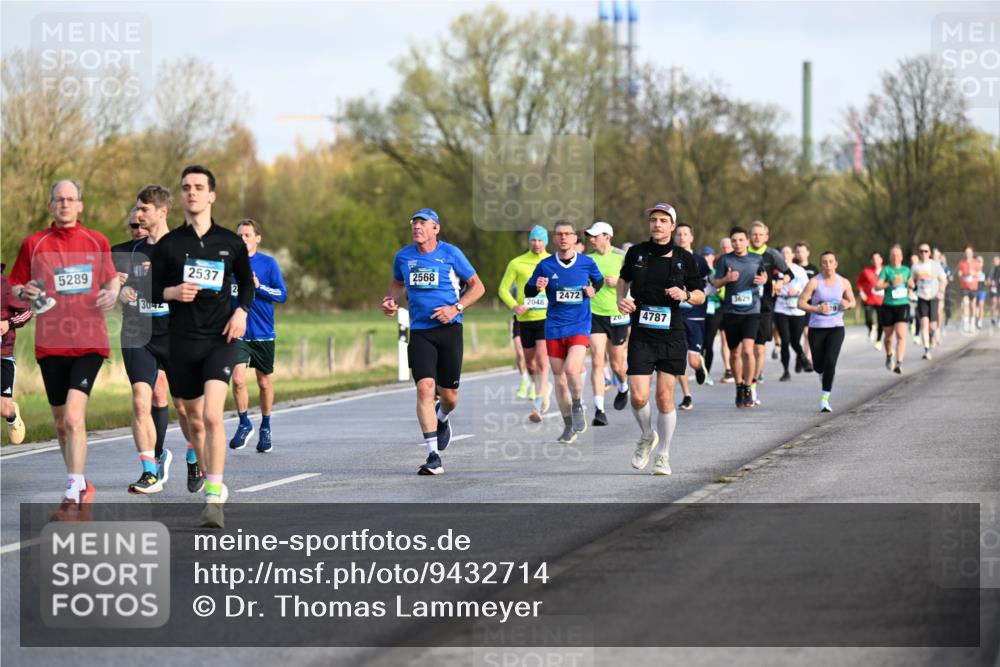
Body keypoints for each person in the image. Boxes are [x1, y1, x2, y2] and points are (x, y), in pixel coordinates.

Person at [150, 165, 254, 528]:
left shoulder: (230, 242)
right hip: (181, 342)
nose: (191, 192)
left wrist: (241, 312)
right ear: (181, 196)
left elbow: (248, 285)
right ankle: (209, 471)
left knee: (212, 415)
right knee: (193, 421)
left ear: (211, 195)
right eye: (185, 188)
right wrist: (173, 293)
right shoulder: (169, 245)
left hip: (220, 340)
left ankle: (213, 497)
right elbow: (149, 290)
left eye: (198, 187)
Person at [10, 179, 120, 520]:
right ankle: (82, 484)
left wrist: (112, 293)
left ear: (80, 206)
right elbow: (13, 288)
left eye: (71, 199)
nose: (65, 204)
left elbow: (112, 280)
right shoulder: (34, 243)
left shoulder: (96, 240)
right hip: (51, 344)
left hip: (89, 342)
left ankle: (72, 493)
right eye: (59, 199)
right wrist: (22, 292)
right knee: (60, 424)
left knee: (74, 417)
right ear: (50, 206)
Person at [382, 208, 485, 475]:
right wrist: (391, 300)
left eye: (422, 223)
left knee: (449, 397)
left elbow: (478, 287)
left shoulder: (451, 254)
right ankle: (433, 455)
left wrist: (456, 308)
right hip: (420, 331)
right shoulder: (403, 256)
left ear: (435, 228)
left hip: (449, 329)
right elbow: (396, 282)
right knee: (425, 389)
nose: (417, 227)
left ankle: (443, 417)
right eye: (414, 223)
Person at [618, 203, 705, 475]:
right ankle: (647, 436)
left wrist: (686, 295)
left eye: (663, 220)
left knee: (664, 398)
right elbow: (624, 280)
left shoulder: (684, 258)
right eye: (654, 220)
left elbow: (701, 294)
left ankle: (664, 455)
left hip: (672, 334)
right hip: (642, 332)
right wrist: (622, 299)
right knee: (638, 397)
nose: (657, 224)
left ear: (672, 226)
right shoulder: (636, 253)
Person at [112, 186, 188, 494]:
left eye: (144, 214)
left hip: (172, 333)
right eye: (134, 221)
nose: (139, 225)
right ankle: (149, 470)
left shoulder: (180, 247)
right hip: (137, 332)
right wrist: (118, 291)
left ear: (161, 213)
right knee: (142, 400)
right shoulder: (126, 253)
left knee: (183, 407)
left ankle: (193, 455)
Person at [525, 220, 603, 443]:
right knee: (559, 380)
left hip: (579, 324)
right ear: (555, 238)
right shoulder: (545, 265)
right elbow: (529, 291)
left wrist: (592, 289)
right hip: (554, 327)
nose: (564, 238)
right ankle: (568, 425)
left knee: (571, 371)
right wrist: (536, 286)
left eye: (568, 234)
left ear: (574, 238)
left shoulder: (587, 262)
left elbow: (597, 282)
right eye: (559, 234)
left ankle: (578, 403)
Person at [228, 219, 288, 453]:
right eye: (239, 236)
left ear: (257, 238)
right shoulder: (229, 265)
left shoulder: (268, 263)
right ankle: (244, 423)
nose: (242, 239)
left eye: (247, 235)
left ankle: (265, 425)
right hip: (238, 332)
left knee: (263, 382)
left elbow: (282, 295)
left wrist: (258, 286)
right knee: (239, 379)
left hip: (263, 332)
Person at [498, 225, 551, 422]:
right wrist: (515, 306)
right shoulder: (517, 263)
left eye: (540, 240)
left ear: (546, 242)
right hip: (525, 319)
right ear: (529, 241)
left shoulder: (552, 262)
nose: (537, 244)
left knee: (543, 361)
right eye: (533, 240)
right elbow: (503, 289)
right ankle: (543, 388)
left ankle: (537, 404)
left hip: (546, 318)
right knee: (530, 364)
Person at [713, 226, 768, 408]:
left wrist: (764, 280)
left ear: (747, 241)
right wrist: (726, 280)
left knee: (747, 350)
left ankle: (748, 385)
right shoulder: (725, 260)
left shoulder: (756, 258)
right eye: (734, 240)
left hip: (752, 311)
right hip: (731, 312)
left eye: (741, 240)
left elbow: (764, 275)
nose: (737, 243)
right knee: (735, 353)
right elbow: (715, 283)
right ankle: (738, 386)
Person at [798, 251, 856, 412]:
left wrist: (847, 304)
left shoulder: (844, 282)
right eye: (824, 262)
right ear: (821, 264)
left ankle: (824, 399)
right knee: (818, 366)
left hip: (836, 328)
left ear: (836, 263)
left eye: (831, 262)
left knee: (831, 361)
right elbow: (800, 303)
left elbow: (853, 302)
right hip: (816, 328)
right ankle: (822, 374)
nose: (828, 265)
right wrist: (816, 308)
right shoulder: (814, 282)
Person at [585, 221, 629, 424]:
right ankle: (599, 410)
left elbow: (637, 281)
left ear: (607, 237)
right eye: (590, 236)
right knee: (596, 361)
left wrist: (619, 280)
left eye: (595, 236)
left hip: (618, 314)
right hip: (595, 315)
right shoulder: (587, 259)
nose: (591, 239)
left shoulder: (622, 256)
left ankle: (623, 386)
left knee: (617, 364)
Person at [747, 221, 790, 402]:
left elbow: (789, 274)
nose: (757, 237)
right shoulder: (742, 252)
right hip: (742, 307)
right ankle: (743, 384)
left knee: (758, 348)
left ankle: (752, 386)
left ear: (766, 236)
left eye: (760, 234)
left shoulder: (773, 255)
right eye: (754, 234)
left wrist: (780, 282)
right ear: (750, 236)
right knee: (743, 350)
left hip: (764, 307)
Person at [672, 222, 710, 409]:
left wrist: (696, 297)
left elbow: (708, 286)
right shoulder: (668, 258)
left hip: (695, 314)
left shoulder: (699, 261)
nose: (681, 237)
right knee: (679, 357)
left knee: (692, 360)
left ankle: (699, 365)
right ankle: (687, 395)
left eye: (685, 234)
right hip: (675, 314)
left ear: (691, 237)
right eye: (678, 234)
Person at [1, 263, 32, 444]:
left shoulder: (6, 285)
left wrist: (9, 323)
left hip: (2, 355)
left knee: (3, 410)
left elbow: (28, 311)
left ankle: (12, 416)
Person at [773, 246, 809, 381]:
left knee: (795, 341)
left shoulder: (800, 270)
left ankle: (802, 357)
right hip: (781, 308)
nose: (786, 255)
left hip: (797, 309)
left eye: (788, 252)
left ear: (793, 255)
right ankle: (786, 371)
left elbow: (807, 288)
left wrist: (798, 292)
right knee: (785, 340)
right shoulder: (776, 270)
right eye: (783, 253)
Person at [876, 244, 913, 374]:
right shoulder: (886, 270)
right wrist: (890, 283)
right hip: (888, 306)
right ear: (890, 257)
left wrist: (909, 283)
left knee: (901, 334)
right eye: (893, 255)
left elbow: (912, 283)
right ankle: (889, 355)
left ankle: (899, 363)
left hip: (902, 305)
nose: (895, 257)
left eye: (898, 255)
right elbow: (877, 286)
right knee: (888, 337)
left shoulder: (906, 270)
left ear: (901, 257)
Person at [911, 243, 947, 360]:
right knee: (924, 324)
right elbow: (911, 281)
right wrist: (910, 289)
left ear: (929, 253)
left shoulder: (935, 266)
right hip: (921, 298)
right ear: (919, 253)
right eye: (921, 251)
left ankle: (931, 337)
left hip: (933, 297)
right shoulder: (916, 267)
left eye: (926, 251)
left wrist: (941, 291)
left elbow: (943, 280)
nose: (923, 253)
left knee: (933, 325)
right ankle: (927, 350)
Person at [700, 247, 722, 387]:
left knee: (709, 343)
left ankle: (707, 372)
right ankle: (700, 371)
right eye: (704, 255)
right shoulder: (698, 272)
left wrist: (718, 290)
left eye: (709, 255)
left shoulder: (717, 273)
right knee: (700, 344)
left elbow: (724, 292)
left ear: (713, 257)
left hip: (715, 309)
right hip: (700, 310)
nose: (706, 257)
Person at [855, 251, 885, 349]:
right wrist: (862, 293)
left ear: (881, 260)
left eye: (877, 259)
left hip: (882, 301)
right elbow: (859, 283)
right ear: (871, 261)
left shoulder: (886, 271)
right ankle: (871, 328)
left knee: (881, 321)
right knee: (868, 319)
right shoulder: (866, 271)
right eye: (874, 259)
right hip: (869, 300)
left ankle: (879, 340)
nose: (876, 261)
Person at [716, 237, 735, 383]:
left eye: (728, 247)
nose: (726, 250)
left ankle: (738, 366)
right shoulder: (720, 262)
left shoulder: (739, 261)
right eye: (723, 248)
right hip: (722, 305)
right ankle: (728, 369)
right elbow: (715, 282)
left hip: (738, 306)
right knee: (724, 339)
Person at [957, 246, 979, 334]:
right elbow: (960, 274)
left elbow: (979, 274)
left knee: (972, 305)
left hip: (973, 287)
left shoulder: (976, 262)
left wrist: (974, 273)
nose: (968, 254)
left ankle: (972, 322)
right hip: (964, 286)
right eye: (966, 252)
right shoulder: (962, 263)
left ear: (972, 253)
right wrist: (960, 274)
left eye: (969, 252)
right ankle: (966, 322)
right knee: (965, 303)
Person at [989, 255, 1000, 326]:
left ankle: (999, 318)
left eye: (997, 260)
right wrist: (991, 282)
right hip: (994, 288)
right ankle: (993, 318)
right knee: (994, 303)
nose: (996, 262)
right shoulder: (991, 269)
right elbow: (988, 278)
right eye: (994, 260)